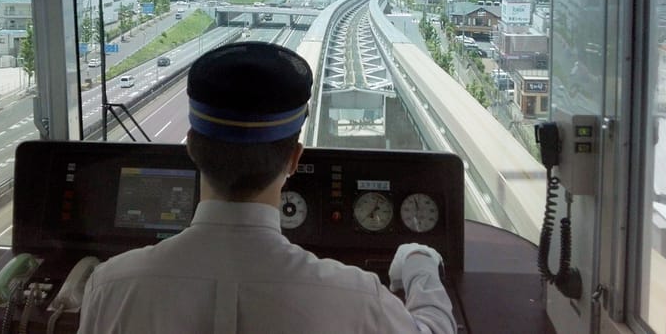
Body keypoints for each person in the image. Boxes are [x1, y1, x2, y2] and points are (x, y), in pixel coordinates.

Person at [78, 41, 455, 333]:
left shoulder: (109, 288)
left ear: (191, 147)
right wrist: (418, 261)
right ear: (295, 159)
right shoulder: (357, 298)